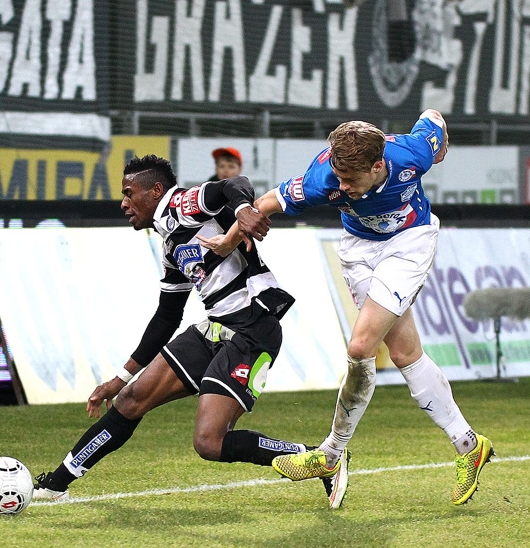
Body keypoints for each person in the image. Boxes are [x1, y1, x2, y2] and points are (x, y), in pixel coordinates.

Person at [202, 111, 494, 506]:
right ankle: (468, 445)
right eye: (338, 178)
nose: (340, 187)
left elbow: (433, 118)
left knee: (360, 348)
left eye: (350, 180)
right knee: (406, 354)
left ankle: (330, 453)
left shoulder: (411, 154)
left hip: (409, 244)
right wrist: (229, 240)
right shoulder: (324, 175)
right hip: (358, 251)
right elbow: (265, 204)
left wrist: (440, 147)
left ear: (378, 167)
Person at [32, 155, 346, 507]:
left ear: (155, 191)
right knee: (130, 400)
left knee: (209, 442)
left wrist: (242, 209)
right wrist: (119, 379)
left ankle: (321, 459)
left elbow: (233, 185)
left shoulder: (180, 206)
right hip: (214, 328)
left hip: (251, 332)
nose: (123, 203)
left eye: (128, 193)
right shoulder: (169, 245)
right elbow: (167, 318)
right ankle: (55, 485)